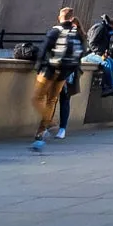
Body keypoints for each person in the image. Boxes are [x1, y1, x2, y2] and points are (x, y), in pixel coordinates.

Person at [29, 8, 84, 152]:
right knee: (52, 100)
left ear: (60, 17)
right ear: (72, 18)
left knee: (36, 98)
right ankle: (40, 133)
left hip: (49, 70)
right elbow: (80, 54)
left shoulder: (55, 31)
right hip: (64, 73)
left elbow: (43, 50)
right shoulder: (76, 34)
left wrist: (38, 68)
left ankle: (50, 122)